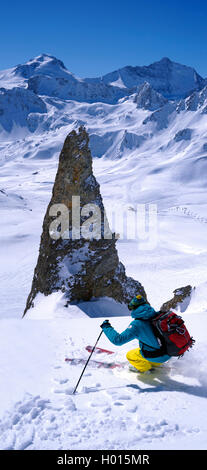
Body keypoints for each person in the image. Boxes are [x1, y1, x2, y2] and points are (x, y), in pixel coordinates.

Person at [100, 295, 171, 372]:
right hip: (168, 352)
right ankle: (156, 363)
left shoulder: (137, 324)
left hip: (156, 355)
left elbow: (118, 340)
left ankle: (145, 369)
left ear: (134, 308)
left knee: (130, 355)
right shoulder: (157, 315)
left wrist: (106, 327)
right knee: (145, 348)